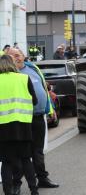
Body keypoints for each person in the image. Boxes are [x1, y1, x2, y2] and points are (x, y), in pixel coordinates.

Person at [5, 49, 58, 190]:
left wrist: (51, 109)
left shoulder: (33, 68)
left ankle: (42, 178)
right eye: (11, 55)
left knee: (38, 151)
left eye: (18, 55)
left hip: (39, 116)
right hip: (21, 120)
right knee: (20, 155)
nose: (16, 58)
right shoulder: (7, 74)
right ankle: (17, 184)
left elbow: (44, 89)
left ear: (23, 56)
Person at [0, 55, 39, 195]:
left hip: (3, 128)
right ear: (12, 64)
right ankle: (34, 190)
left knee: (6, 162)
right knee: (26, 159)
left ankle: (8, 192)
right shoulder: (23, 78)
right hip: (23, 126)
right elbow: (34, 101)